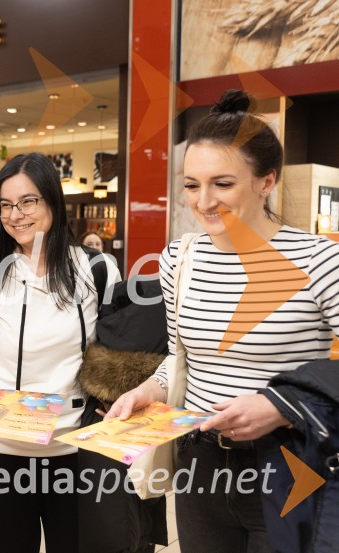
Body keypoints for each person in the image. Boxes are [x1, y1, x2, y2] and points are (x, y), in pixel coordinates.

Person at [106, 90, 339, 553]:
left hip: (289, 465)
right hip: (200, 464)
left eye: (223, 183)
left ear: (266, 180)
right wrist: (144, 392)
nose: (204, 201)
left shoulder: (319, 260)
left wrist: (282, 406)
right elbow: (178, 360)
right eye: (192, 185)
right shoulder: (180, 258)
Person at [0, 152, 120, 553]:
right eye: (5, 205)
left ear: (52, 202)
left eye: (28, 201)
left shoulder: (96, 269)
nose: (15, 214)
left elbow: (115, 352)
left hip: (76, 446)